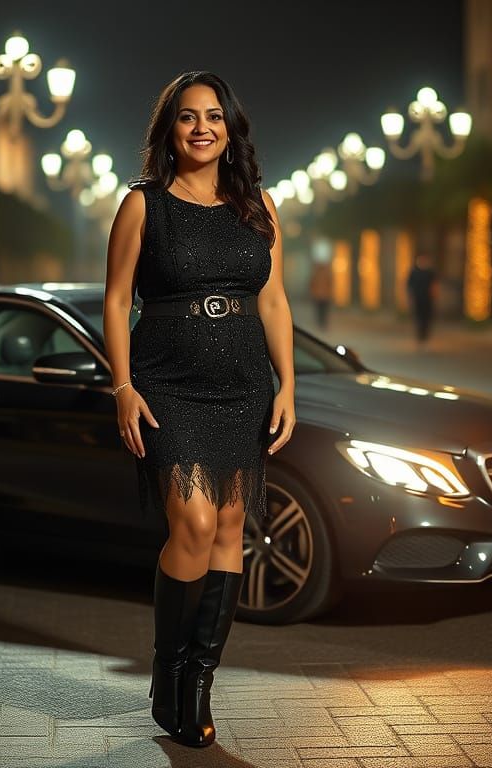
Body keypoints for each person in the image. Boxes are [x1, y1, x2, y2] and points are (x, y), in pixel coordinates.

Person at [102, 71, 295, 748]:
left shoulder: (258, 207)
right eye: (188, 117)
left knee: (230, 528)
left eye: (214, 116)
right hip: (168, 383)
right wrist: (123, 387)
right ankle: (168, 669)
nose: (202, 127)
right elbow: (117, 300)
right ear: (170, 129)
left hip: (244, 384)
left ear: (229, 128)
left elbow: (273, 302)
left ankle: (199, 685)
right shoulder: (143, 205)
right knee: (194, 521)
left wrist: (288, 386)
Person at [406, 252, 437, 346]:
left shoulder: (430, 272)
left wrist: (434, 294)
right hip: (417, 297)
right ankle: (420, 334)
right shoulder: (414, 272)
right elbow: (409, 285)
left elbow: (434, 285)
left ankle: (425, 334)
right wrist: (410, 297)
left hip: (427, 298)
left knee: (427, 317)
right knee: (418, 316)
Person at [308, 257, 333, 331]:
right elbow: (313, 284)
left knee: (321, 310)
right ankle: (322, 323)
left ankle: (322, 323)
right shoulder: (324, 275)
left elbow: (312, 284)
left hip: (321, 296)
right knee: (322, 310)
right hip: (323, 296)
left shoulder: (318, 275)